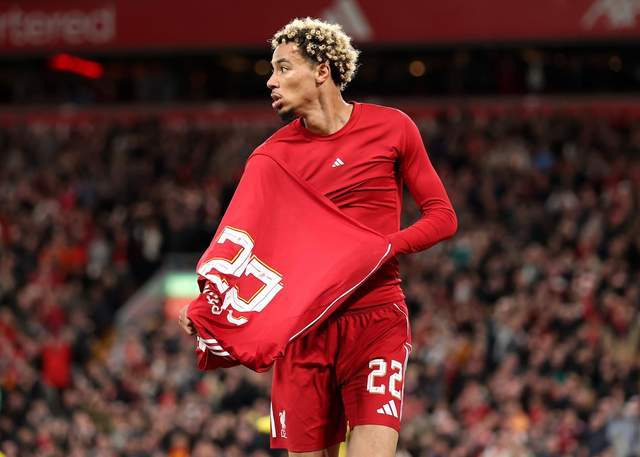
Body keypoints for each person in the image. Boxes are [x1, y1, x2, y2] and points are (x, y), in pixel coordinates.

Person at [180, 17, 457, 457]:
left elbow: (442, 216)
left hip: (376, 319)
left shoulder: (392, 128)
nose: (271, 81)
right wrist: (205, 306)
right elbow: (240, 245)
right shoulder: (271, 159)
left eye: (283, 68)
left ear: (322, 71)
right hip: (305, 330)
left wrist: (384, 247)